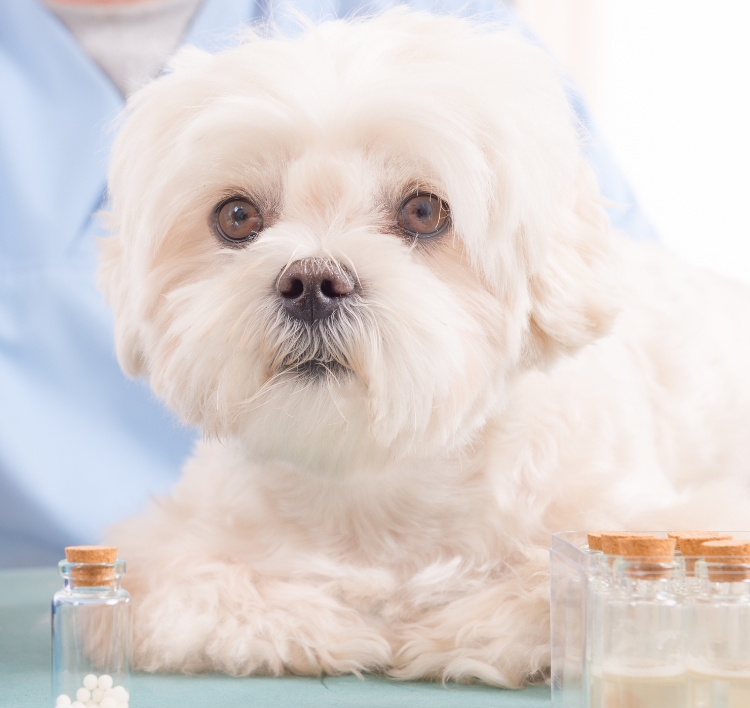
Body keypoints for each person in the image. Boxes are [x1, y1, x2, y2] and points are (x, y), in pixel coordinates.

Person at [0, 0, 655, 567]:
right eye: (241, 219)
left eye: (419, 214)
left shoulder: (466, 38)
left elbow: (617, 304)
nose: (312, 278)